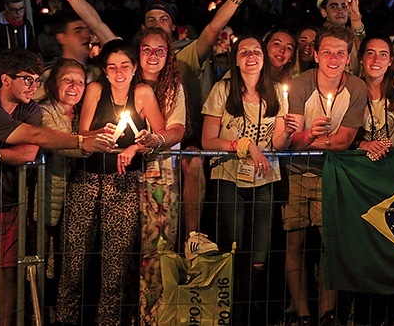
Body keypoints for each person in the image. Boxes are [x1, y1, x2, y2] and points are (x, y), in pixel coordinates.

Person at [34, 0, 259, 236]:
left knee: (160, 235)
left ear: (171, 36)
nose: (153, 52)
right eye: (150, 21)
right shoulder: (126, 66)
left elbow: (213, 28)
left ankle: (193, 239)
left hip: (162, 161)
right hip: (124, 165)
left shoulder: (185, 58)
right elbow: (97, 23)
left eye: (163, 20)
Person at [0, 48, 109, 326]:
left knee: (7, 276)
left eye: (36, 80)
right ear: (6, 80)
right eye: (26, 79)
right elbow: (34, 135)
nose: (33, 86)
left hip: (12, 204)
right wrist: (80, 141)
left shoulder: (28, 108)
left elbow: (29, 152)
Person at [55, 39, 164, 325]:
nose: (118, 72)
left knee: (114, 266)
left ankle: (109, 322)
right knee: (74, 259)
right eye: (112, 67)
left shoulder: (142, 93)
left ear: (134, 67)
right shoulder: (95, 89)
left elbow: (160, 135)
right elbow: (83, 132)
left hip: (123, 184)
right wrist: (97, 136)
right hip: (87, 180)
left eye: (125, 66)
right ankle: (67, 319)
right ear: (104, 69)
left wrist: (138, 146)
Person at [275, 25, 367, 326]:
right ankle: (301, 312)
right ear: (316, 55)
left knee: (330, 241)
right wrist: (306, 136)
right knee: (295, 243)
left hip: (332, 171)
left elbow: (344, 141)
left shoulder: (356, 88)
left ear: (348, 57)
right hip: (298, 172)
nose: (333, 58)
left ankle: (328, 311)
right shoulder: (301, 84)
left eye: (340, 52)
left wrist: (309, 139)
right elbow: (293, 140)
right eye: (327, 51)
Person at [201, 35, 286, 324]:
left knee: (258, 257)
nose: (251, 56)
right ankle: (229, 313)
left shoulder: (277, 92)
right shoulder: (223, 90)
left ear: (263, 58)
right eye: (244, 52)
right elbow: (206, 140)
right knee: (231, 250)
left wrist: (290, 130)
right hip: (228, 176)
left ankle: (247, 312)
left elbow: (279, 143)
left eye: (256, 51)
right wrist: (244, 144)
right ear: (236, 59)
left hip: (265, 178)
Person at [131, 27, 186, 323]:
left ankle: (154, 317)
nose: (153, 56)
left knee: (158, 251)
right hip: (124, 178)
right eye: (146, 49)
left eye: (160, 50)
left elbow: (178, 129)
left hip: (160, 178)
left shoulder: (173, 87)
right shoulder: (125, 79)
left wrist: (156, 139)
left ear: (169, 55)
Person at [36, 58, 87, 320]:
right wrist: (88, 144)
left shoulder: (82, 113)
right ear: (54, 83)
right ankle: (39, 314)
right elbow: (57, 142)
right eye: (67, 79)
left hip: (73, 199)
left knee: (66, 264)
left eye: (79, 81)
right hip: (45, 200)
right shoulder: (43, 111)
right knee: (41, 262)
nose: (74, 85)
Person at [316, 0, 366, 75]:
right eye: (334, 6)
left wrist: (355, 15)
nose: (340, 11)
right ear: (324, 12)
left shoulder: (353, 39)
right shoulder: (318, 41)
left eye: (344, 6)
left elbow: (362, 47)